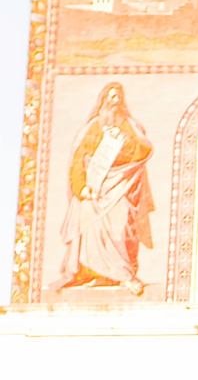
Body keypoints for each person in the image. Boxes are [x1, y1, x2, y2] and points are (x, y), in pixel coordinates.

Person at [55, 81, 154, 293]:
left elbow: (142, 149)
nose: (114, 101)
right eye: (110, 97)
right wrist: (80, 187)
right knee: (88, 221)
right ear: (103, 101)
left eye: (117, 96)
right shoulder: (92, 128)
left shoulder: (130, 126)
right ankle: (92, 275)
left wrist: (124, 144)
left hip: (121, 187)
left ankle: (122, 273)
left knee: (121, 225)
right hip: (94, 188)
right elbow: (78, 159)